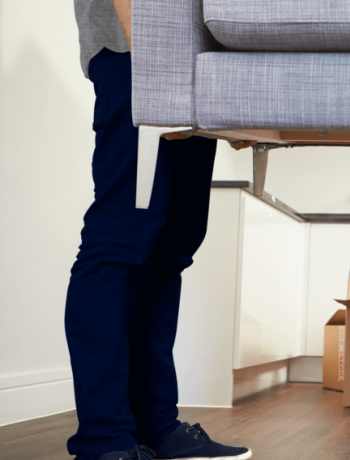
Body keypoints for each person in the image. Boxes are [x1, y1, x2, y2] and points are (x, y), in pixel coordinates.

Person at [67, 1, 255, 459]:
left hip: (189, 68)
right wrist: (150, 59)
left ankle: (155, 425)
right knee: (120, 240)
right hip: (136, 58)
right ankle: (104, 438)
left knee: (172, 246)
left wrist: (232, 96)